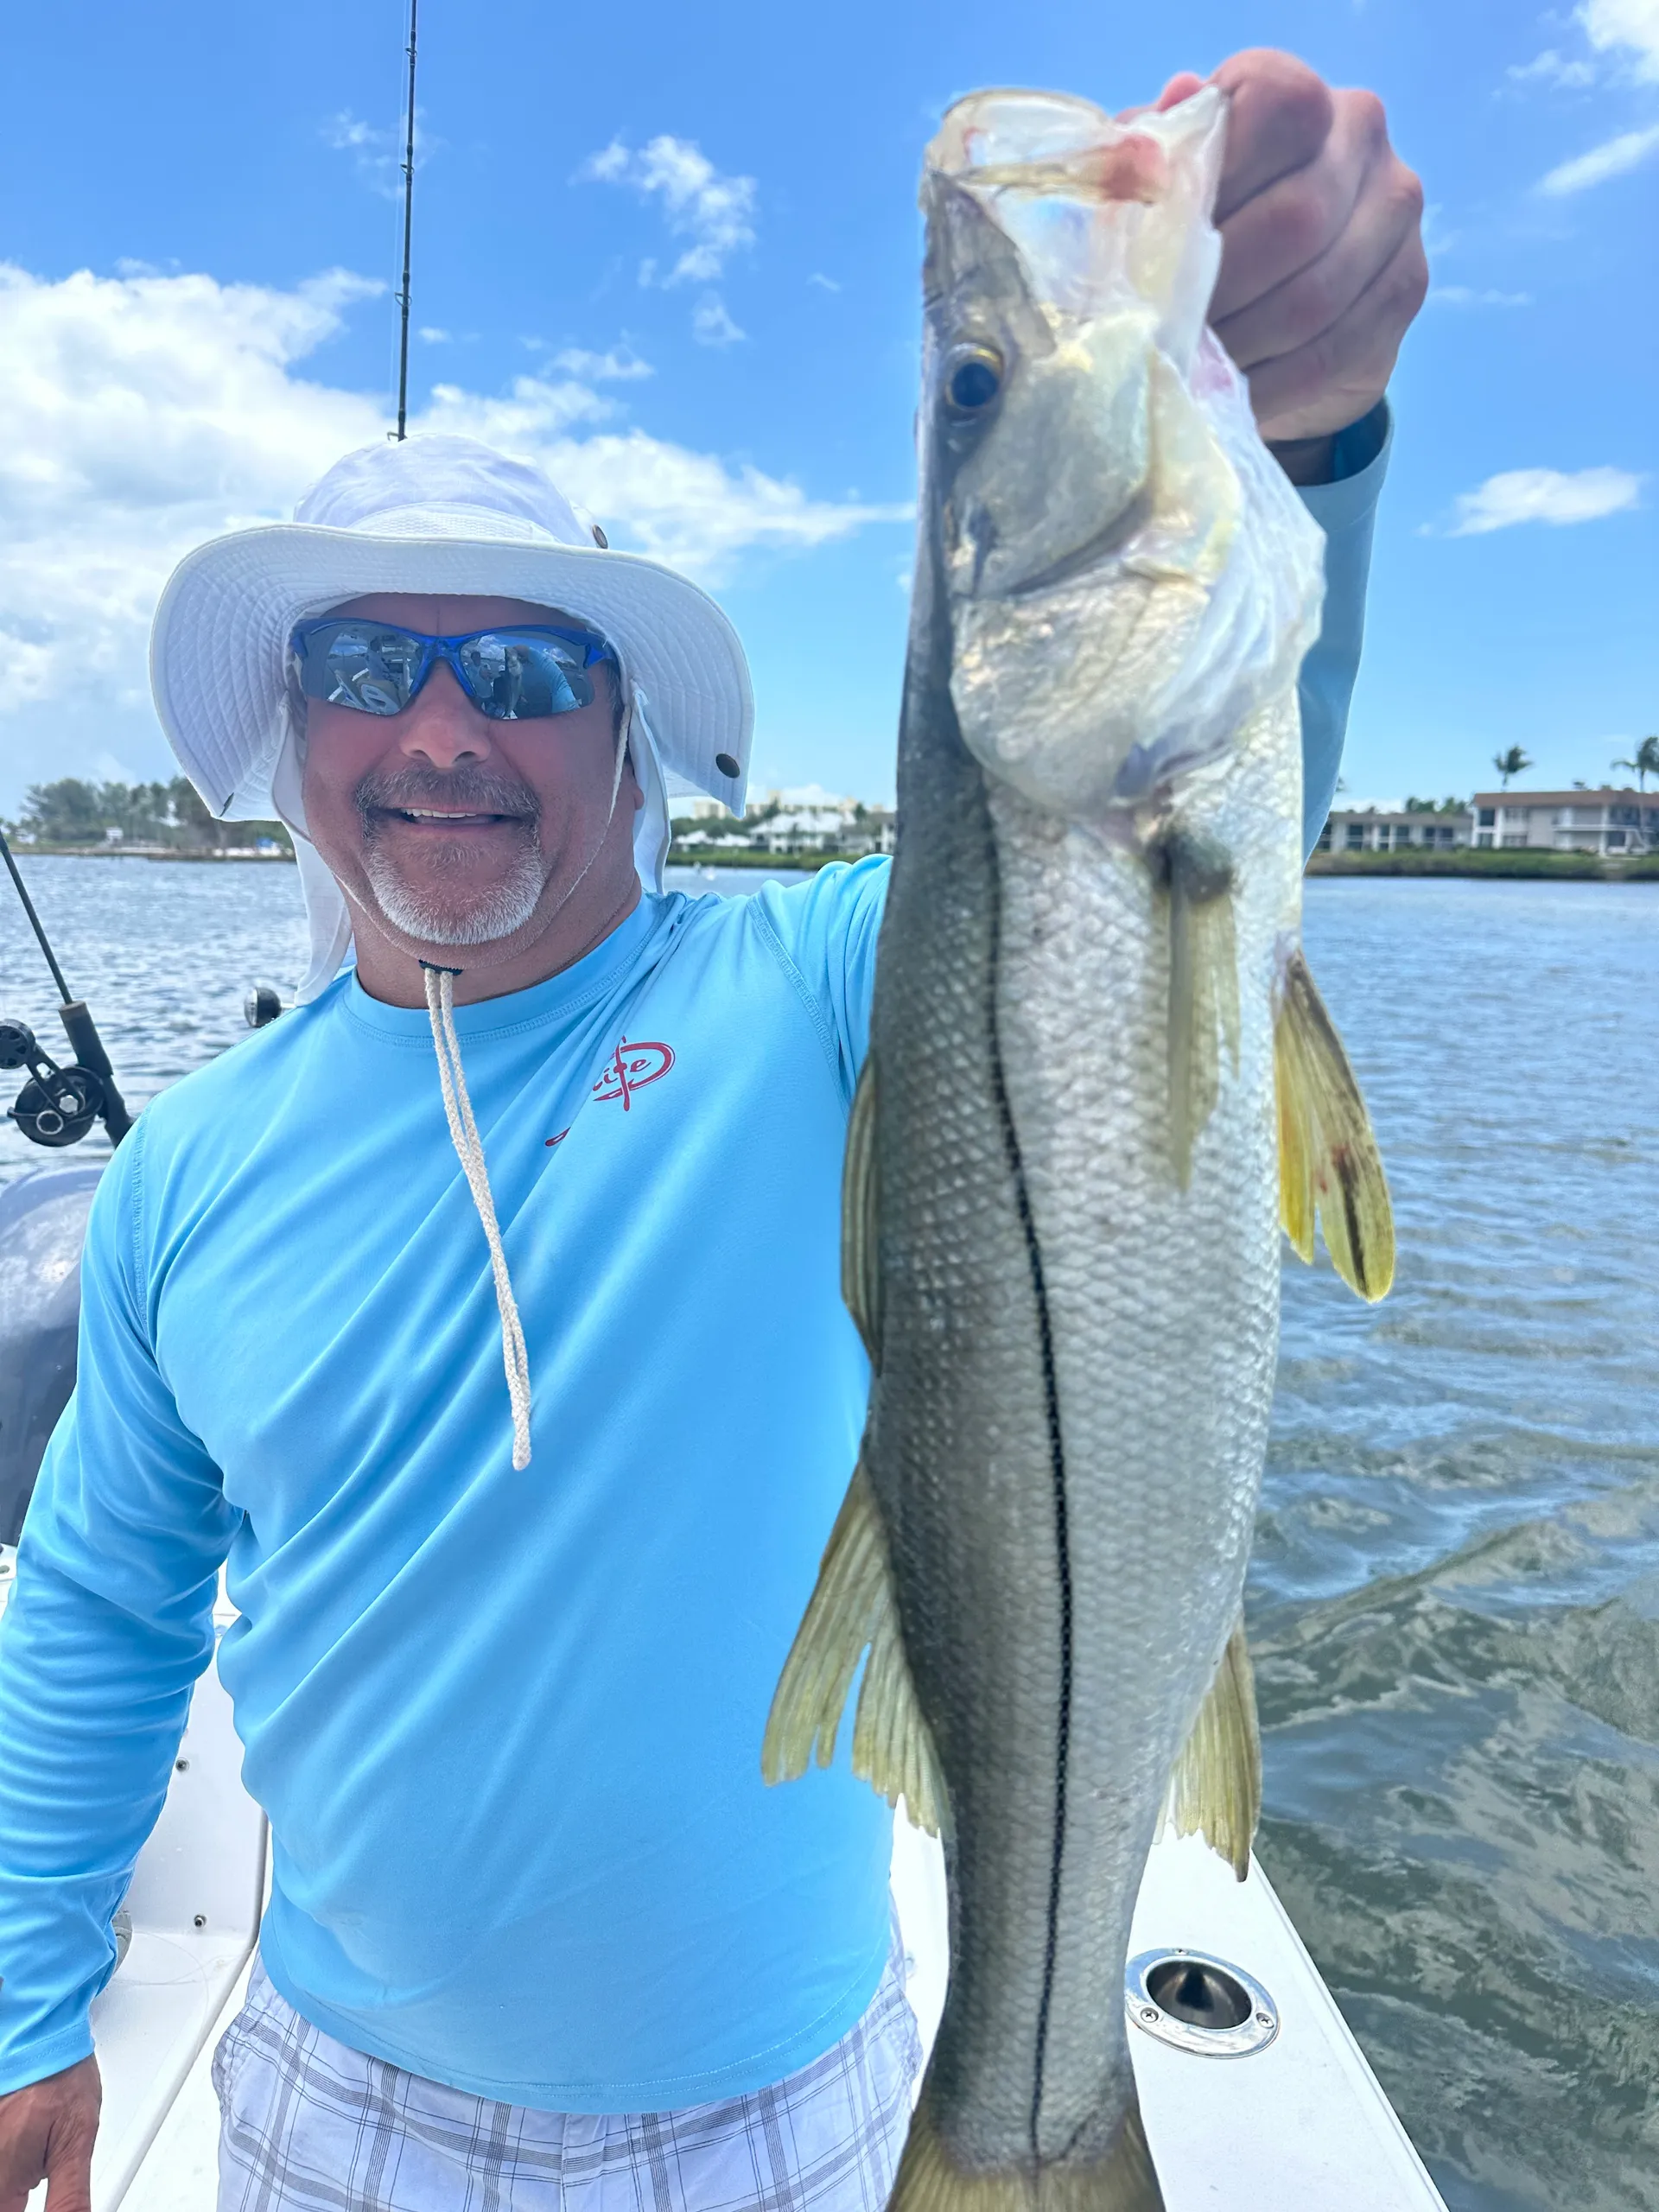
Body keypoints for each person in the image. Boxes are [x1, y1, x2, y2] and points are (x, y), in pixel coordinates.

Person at [0, 49, 1426, 2212]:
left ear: (629, 722)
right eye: (371, 658)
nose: (447, 729)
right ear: (290, 721)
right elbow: (103, 1600)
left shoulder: (822, 982)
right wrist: (25, 2000)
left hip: (793, 2105)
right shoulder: (192, 1158)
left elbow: (1129, 876)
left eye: (529, 668)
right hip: (327, 2097)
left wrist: (1310, 431)